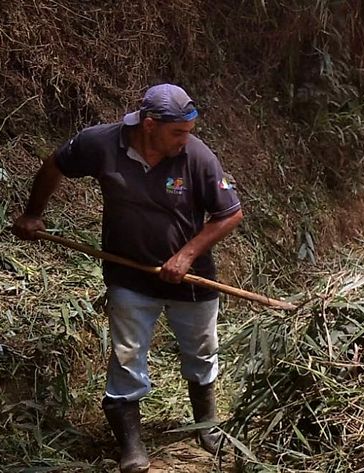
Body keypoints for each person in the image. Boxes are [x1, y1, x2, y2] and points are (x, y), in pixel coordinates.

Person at [12, 84, 244, 473]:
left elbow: (230, 214)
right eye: (178, 132)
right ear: (150, 125)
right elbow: (54, 165)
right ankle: (132, 447)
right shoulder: (101, 144)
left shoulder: (197, 156)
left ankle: (206, 423)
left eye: (189, 131)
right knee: (126, 356)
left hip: (191, 280)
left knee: (201, 351)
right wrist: (33, 213)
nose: (186, 139)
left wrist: (186, 255)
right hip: (129, 275)